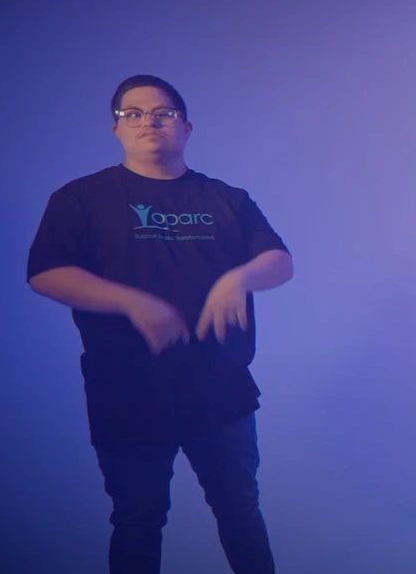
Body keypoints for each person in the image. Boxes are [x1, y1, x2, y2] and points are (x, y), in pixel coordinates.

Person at [27, 75, 293, 574]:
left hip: (220, 388)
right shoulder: (81, 198)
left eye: (163, 113)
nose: (149, 121)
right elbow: (45, 273)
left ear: (186, 127)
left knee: (240, 508)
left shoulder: (227, 198)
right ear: (116, 129)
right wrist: (130, 302)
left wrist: (240, 277)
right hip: (126, 389)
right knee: (137, 519)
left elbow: (279, 260)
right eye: (134, 113)